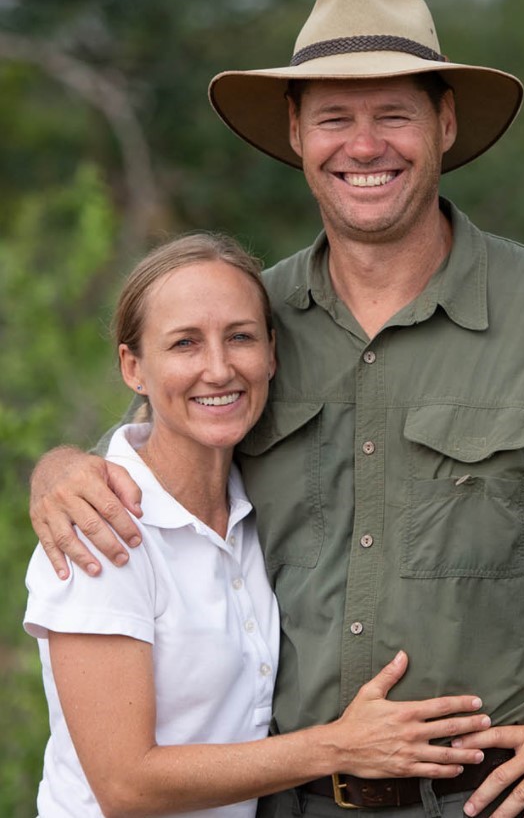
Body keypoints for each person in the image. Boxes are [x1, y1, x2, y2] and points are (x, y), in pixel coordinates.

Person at [29, 0, 524, 818]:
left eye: (393, 114)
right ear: (295, 134)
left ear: (444, 124)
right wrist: (64, 467)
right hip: (279, 800)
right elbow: (172, 446)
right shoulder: (254, 323)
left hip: (489, 803)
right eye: (334, 118)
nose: (363, 146)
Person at [24, 232, 495, 818]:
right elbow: (126, 785)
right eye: (185, 344)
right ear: (133, 367)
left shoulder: (253, 510)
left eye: (240, 337)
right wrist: (339, 746)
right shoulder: (100, 527)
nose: (218, 369)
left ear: (272, 352)